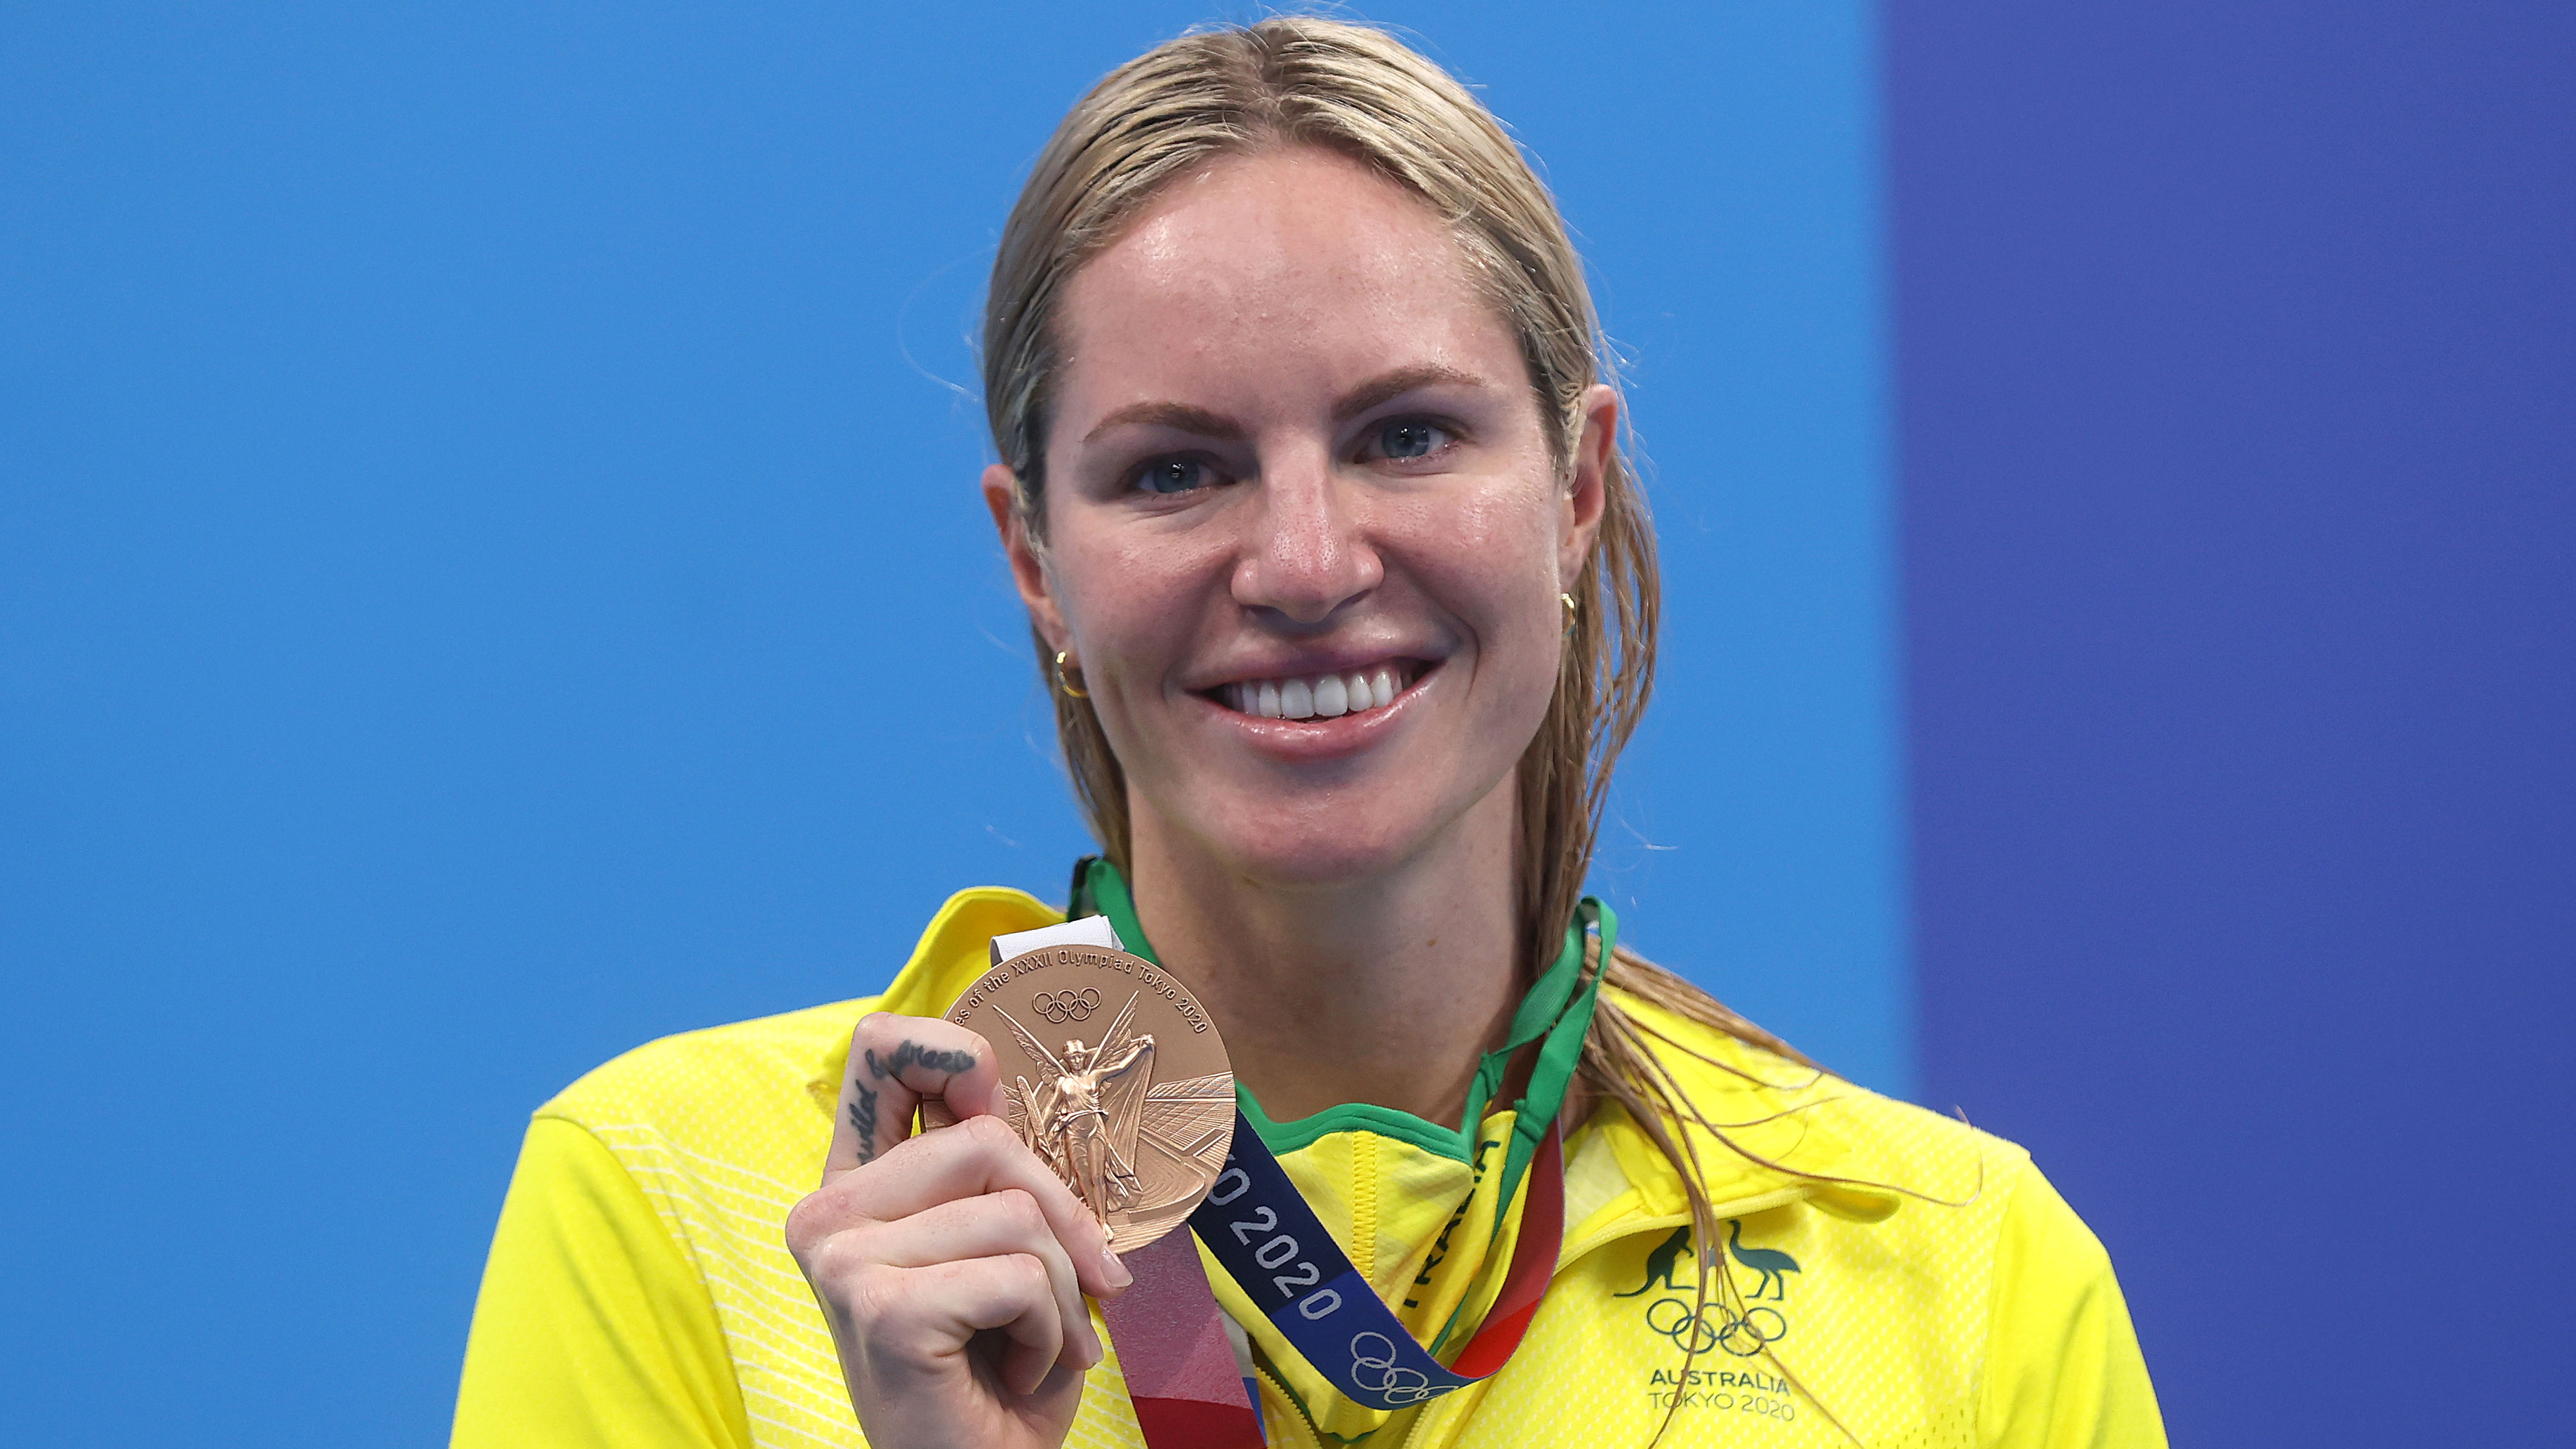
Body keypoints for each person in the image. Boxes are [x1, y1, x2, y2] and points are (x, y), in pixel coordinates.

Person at [453, 18, 2165, 1449]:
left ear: (1573, 490)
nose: (1302, 564)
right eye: (1174, 471)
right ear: (1034, 559)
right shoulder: (683, 1210)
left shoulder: (1954, 1280)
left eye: (1405, 436)